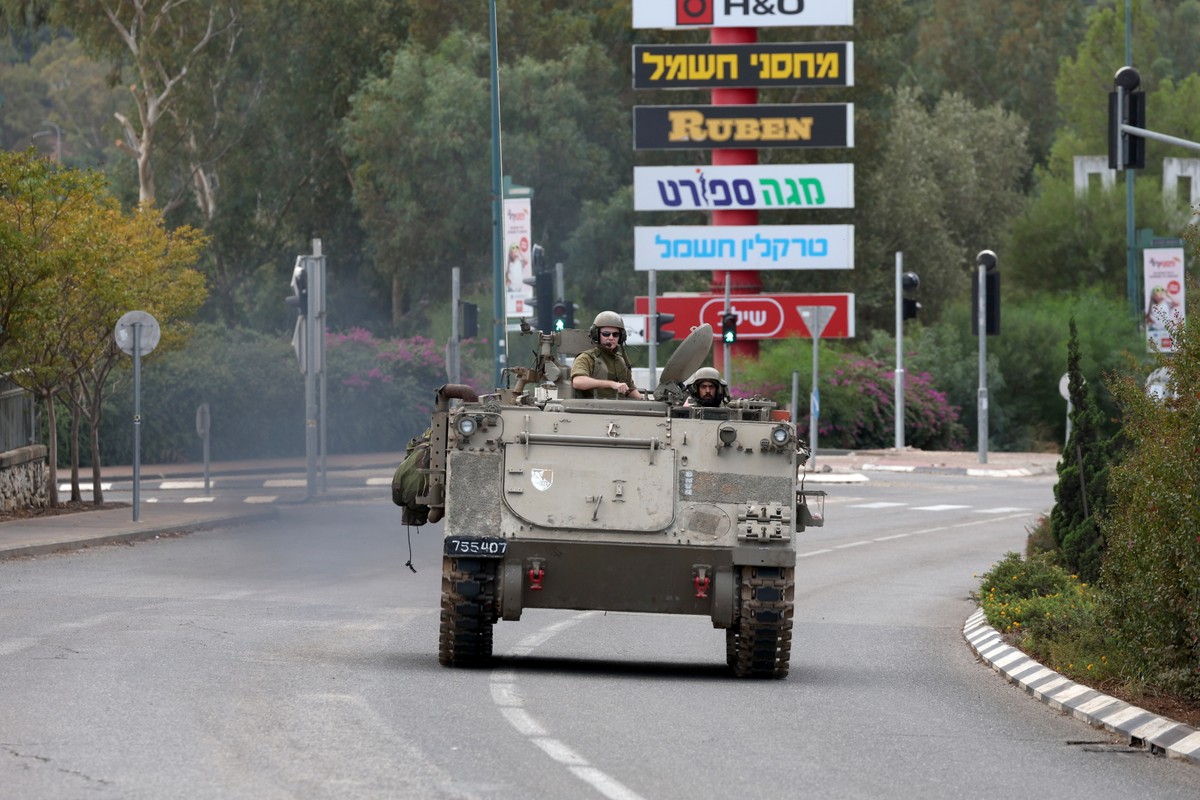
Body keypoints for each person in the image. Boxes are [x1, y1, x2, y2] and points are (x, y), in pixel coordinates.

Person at [570, 311, 644, 399]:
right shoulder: (587, 358)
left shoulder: (621, 360)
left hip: (621, 409)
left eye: (616, 334)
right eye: (606, 334)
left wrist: (645, 402)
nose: (611, 338)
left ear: (621, 337)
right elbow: (578, 382)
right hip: (594, 410)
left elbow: (630, 389)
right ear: (596, 334)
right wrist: (612, 384)